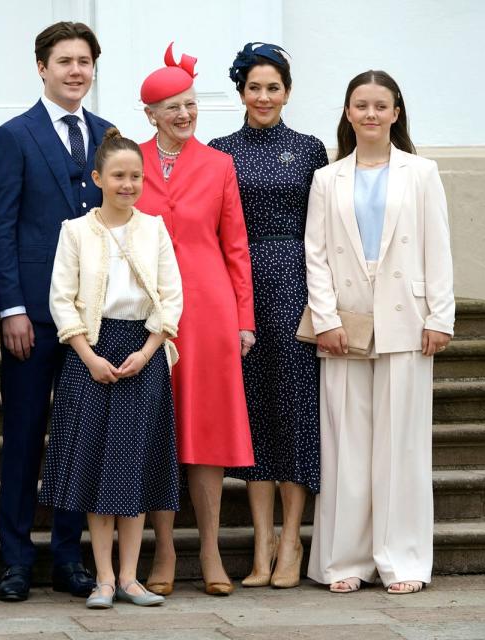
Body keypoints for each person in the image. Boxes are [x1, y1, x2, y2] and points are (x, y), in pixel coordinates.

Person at [305, 70, 454, 595]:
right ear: (348, 113)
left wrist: (440, 316)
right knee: (347, 442)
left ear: (396, 112)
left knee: (402, 443)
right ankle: (344, 559)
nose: (370, 114)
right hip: (347, 319)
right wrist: (324, 318)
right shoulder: (328, 178)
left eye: (380, 105)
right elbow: (316, 254)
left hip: (406, 319)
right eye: (360, 105)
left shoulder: (422, 173)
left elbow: (438, 246)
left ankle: (403, 559)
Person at [0, 21, 113, 602]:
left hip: (94, 318)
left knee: (79, 439)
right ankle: (15, 560)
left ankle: (68, 556)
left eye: (84, 61)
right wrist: (10, 308)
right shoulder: (12, 136)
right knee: (24, 436)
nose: (75, 71)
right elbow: (0, 228)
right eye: (64, 61)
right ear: (42, 67)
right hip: (33, 317)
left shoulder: (108, 135)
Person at [39, 128, 183, 610]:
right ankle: (101, 577)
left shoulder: (155, 228)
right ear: (98, 177)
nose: (128, 184)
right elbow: (62, 300)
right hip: (92, 354)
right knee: (99, 470)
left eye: (136, 176)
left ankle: (130, 577)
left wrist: (147, 352)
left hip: (143, 352)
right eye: (118, 176)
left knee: (134, 468)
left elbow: (170, 298)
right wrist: (88, 355)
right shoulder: (75, 231)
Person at [134, 44, 256, 596]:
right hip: (144, 310)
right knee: (158, 427)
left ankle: (209, 552)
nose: (185, 115)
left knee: (205, 427)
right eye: (172, 107)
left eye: (190, 104)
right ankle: (163, 549)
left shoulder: (219, 164)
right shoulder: (129, 160)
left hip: (208, 311)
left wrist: (244, 319)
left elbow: (236, 247)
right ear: (150, 114)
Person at [209, 42, 328, 589]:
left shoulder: (308, 150)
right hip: (238, 287)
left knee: (296, 412)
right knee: (254, 412)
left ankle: (292, 541)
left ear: (288, 91)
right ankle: (261, 544)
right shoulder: (219, 150)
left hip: (297, 283)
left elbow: (326, 229)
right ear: (239, 91)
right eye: (254, 87)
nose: (263, 96)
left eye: (273, 87)